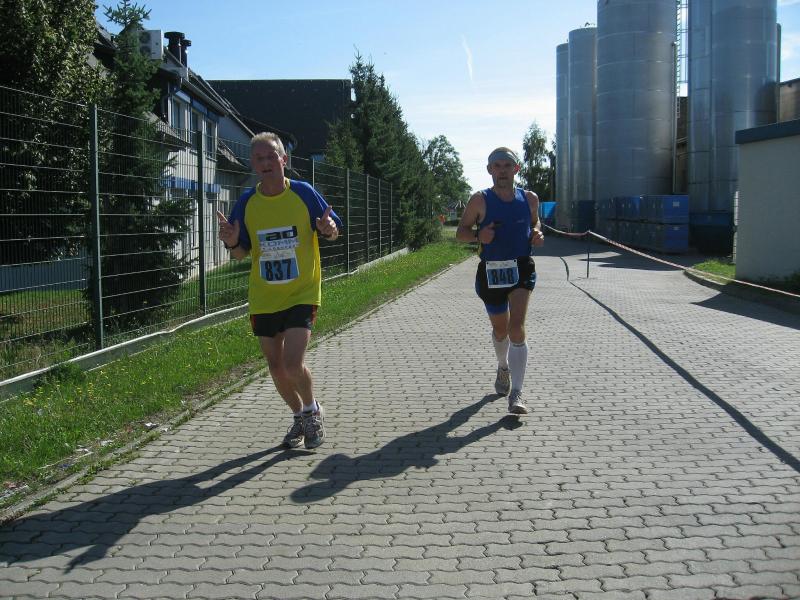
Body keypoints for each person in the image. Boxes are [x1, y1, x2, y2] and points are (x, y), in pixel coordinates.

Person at [217, 132, 342, 449]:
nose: (266, 163)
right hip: (264, 296)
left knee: (292, 363)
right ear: (252, 164)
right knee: (275, 367)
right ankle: (299, 416)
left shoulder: (303, 192)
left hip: (302, 292)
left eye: (271, 156)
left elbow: (331, 229)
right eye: (259, 158)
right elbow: (240, 253)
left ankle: (312, 411)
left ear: (284, 160)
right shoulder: (247, 202)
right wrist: (231, 242)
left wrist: (328, 229)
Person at [456, 147, 544, 414]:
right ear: (489, 170)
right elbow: (461, 233)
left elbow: (536, 223)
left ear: (516, 169)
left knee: (516, 328)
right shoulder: (479, 200)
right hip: (492, 271)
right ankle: (503, 366)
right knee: (501, 330)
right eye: (497, 166)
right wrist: (478, 236)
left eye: (507, 166)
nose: (502, 171)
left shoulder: (529, 198)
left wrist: (537, 233)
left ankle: (516, 393)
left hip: (521, 267)